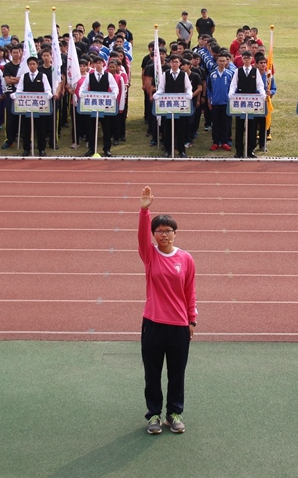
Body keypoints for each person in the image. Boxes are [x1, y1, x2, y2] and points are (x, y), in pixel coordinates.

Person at [137, 186, 197, 435]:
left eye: (168, 230)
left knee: (176, 373)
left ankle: (174, 413)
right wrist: (144, 210)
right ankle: (154, 415)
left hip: (179, 326)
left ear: (175, 233)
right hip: (153, 323)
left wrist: (192, 320)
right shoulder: (150, 255)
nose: (164, 234)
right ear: (153, 235)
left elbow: (189, 291)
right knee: (152, 373)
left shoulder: (186, 259)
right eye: (159, 231)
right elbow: (141, 236)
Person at [79, 54, 118, 157]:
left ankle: (107, 149)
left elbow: (115, 88)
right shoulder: (89, 76)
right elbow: (82, 88)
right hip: (93, 106)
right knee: (92, 128)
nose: (99, 65)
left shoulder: (108, 75)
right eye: (96, 63)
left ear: (103, 64)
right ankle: (92, 149)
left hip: (104, 106)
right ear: (94, 65)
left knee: (106, 128)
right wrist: (81, 94)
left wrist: (114, 95)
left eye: (100, 63)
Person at [228, 51, 266, 158]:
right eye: (244, 58)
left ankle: (250, 150)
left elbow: (259, 85)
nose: (246, 60)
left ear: (251, 59)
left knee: (252, 127)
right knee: (239, 127)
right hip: (240, 102)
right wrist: (231, 93)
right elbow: (233, 84)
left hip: (252, 103)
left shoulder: (255, 71)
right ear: (242, 59)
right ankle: (239, 150)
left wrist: (262, 94)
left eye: (248, 58)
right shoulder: (238, 71)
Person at [156, 53, 192, 158]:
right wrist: (158, 94)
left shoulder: (183, 75)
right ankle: (168, 150)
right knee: (167, 129)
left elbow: (188, 87)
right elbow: (161, 88)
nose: (174, 64)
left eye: (176, 62)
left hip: (180, 106)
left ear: (180, 63)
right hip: (168, 106)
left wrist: (189, 94)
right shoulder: (165, 74)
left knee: (181, 129)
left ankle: (182, 150)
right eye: (172, 62)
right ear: (169, 63)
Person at [17, 56, 52, 157]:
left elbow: (47, 89)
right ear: (28, 66)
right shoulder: (24, 76)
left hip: (39, 108)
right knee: (26, 129)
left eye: (34, 64)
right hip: (27, 107)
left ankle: (41, 149)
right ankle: (26, 149)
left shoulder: (43, 76)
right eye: (30, 64)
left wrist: (48, 94)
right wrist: (16, 95)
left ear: (37, 65)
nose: (32, 66)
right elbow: (19, 89)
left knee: (41, 129)